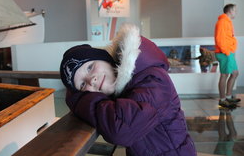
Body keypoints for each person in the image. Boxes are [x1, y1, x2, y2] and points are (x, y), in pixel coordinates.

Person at [60, 23, 196, 156]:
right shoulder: (122, 86)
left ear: (105, 59)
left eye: (90, 67)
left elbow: (121, 131)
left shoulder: (151, 79)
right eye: (83, 85)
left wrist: (79, 100)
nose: (91, 80)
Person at [214, 4, 241, 108]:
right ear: (230, 11)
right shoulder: (222, 22)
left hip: (228, 52)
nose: (236, 12)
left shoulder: (227, 22)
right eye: (235, 10)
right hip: (224, 53)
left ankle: (229, 97)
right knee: (224, 75)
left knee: (235, 73)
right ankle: (222, 99)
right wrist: (227, 52)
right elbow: (219, 39)